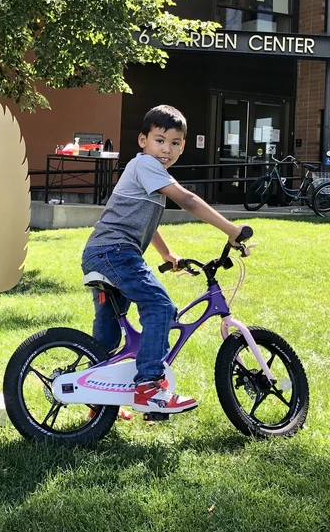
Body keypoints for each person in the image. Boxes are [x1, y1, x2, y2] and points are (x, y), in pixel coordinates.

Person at [81, 105, 247, 414]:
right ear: (143, 140)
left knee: (109, 329)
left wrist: (166, 254)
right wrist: (231, 229)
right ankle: (150, 387)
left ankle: (99, 398)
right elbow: (187, 199)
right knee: (160, 307)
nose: (166, 149)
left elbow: (144, 220)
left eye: (174, 142)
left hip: (100, 253)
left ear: (183, 145)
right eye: (159, 140)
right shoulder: (146, 164)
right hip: (116, 252)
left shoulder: (148, 171)